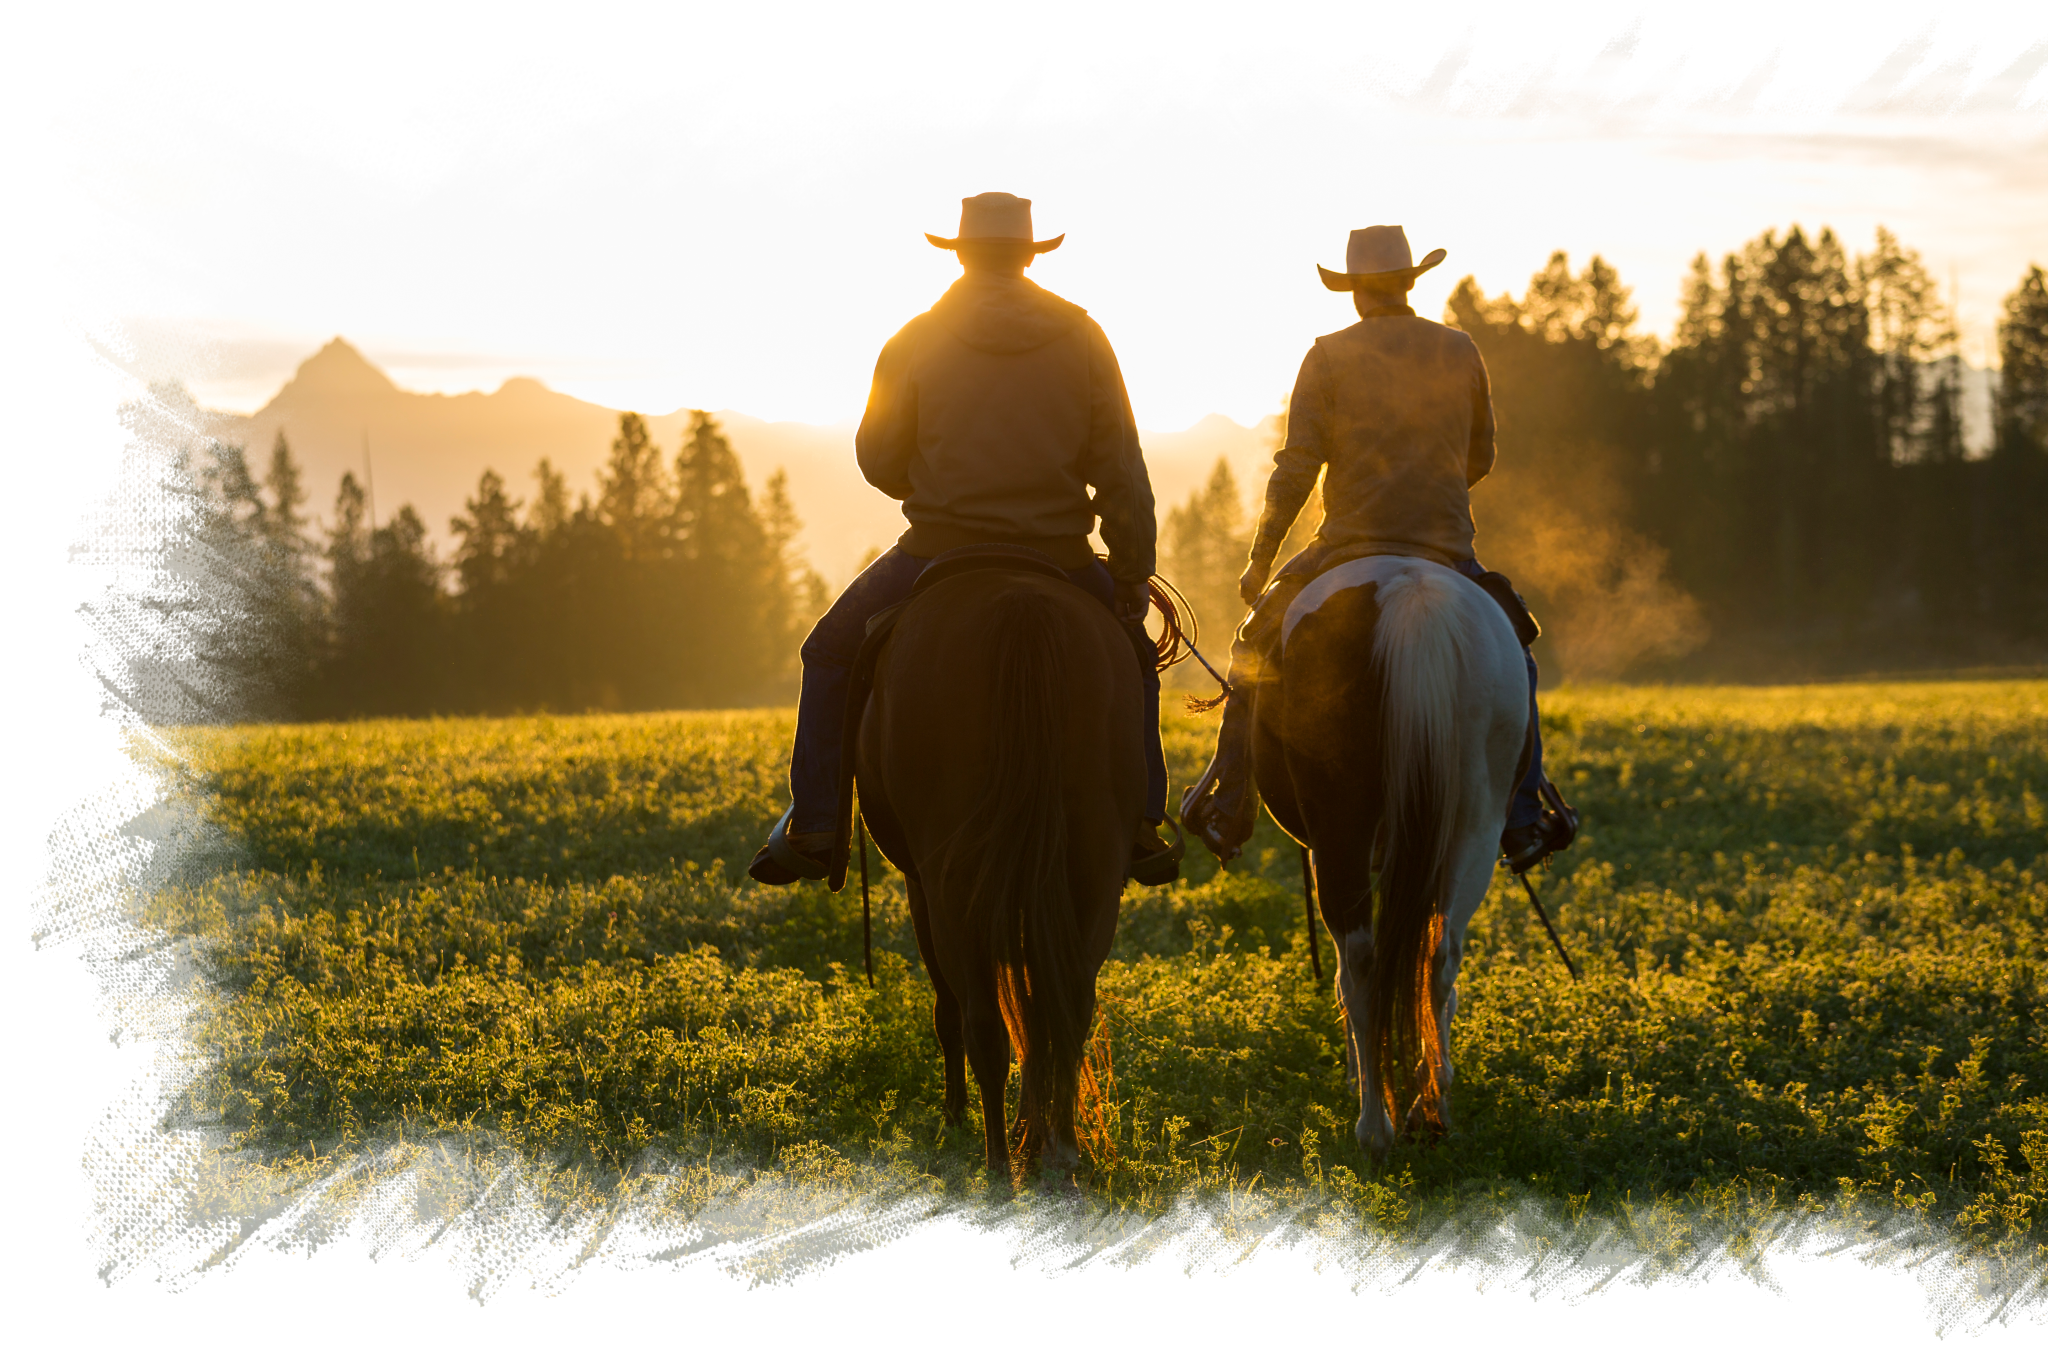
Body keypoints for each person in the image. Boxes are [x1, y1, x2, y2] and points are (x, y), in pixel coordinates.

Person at [749, 192, 1176, 886]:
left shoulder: (916, 337)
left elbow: (879, 458)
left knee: (828, 652)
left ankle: (819, 823)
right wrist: (1131, 569)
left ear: (962, 252)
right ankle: (1142, 821)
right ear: (1030, 254)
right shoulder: (1085, 336)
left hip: (935, 549)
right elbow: (1122, 468)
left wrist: (942, 485)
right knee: (1132, 653)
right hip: (1062, 555)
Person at [1179, 225, 1577, 871]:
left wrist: (1261, 557)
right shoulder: (1460, 349)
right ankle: (1526, 815)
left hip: (1344, 547)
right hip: (1446, 548)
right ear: (1410, 281)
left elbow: (1297, 465)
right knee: (1518, 654)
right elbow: (1482, 457)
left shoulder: (1327, 355)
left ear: (1356, 291)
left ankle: (1231, 798)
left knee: (1253, 644)